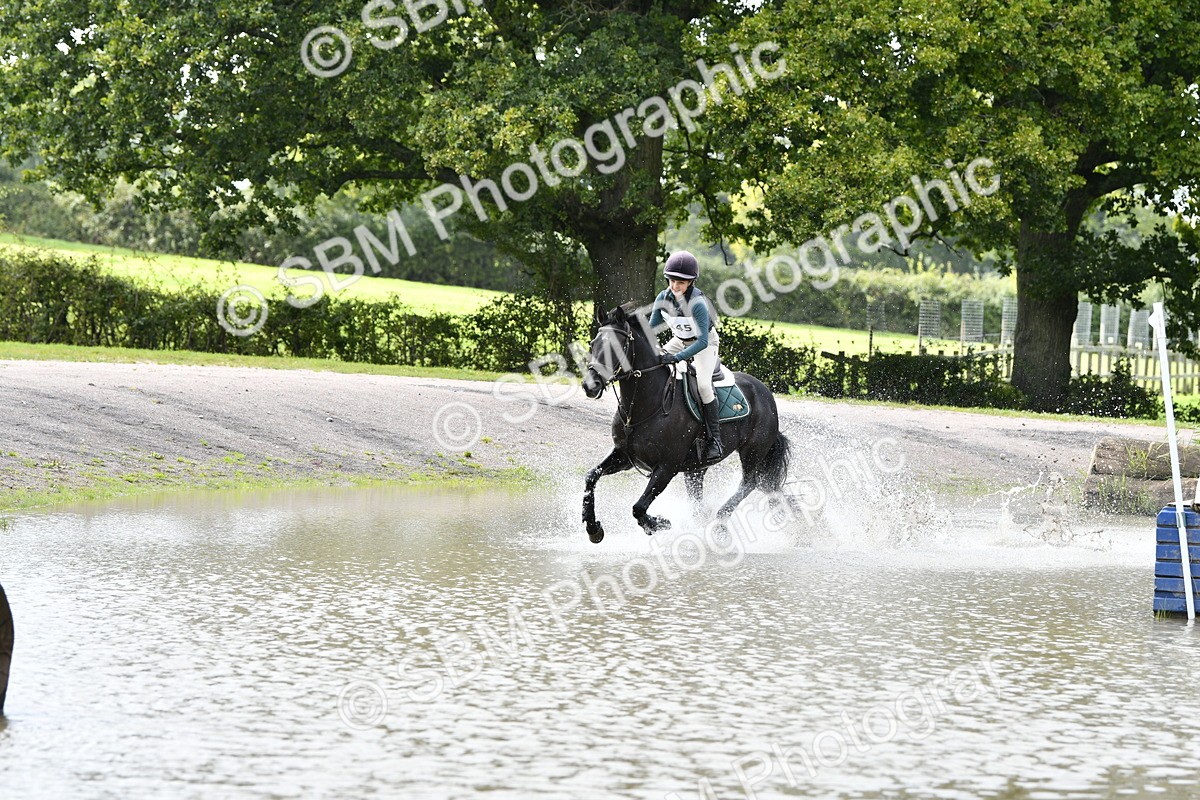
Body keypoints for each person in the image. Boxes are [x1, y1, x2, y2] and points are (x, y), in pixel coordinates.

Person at [649, 250, 723, 462]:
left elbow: (701, 342)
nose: (675, 286)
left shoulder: (697, 303)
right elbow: (651, 328)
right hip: (679, 340)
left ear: (691, 282)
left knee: (703, 385)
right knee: (653, 364)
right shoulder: (663, 298)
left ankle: (715, 440)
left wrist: (677, 357)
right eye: (672, 280)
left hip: (705, 344)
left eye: (681, 282)